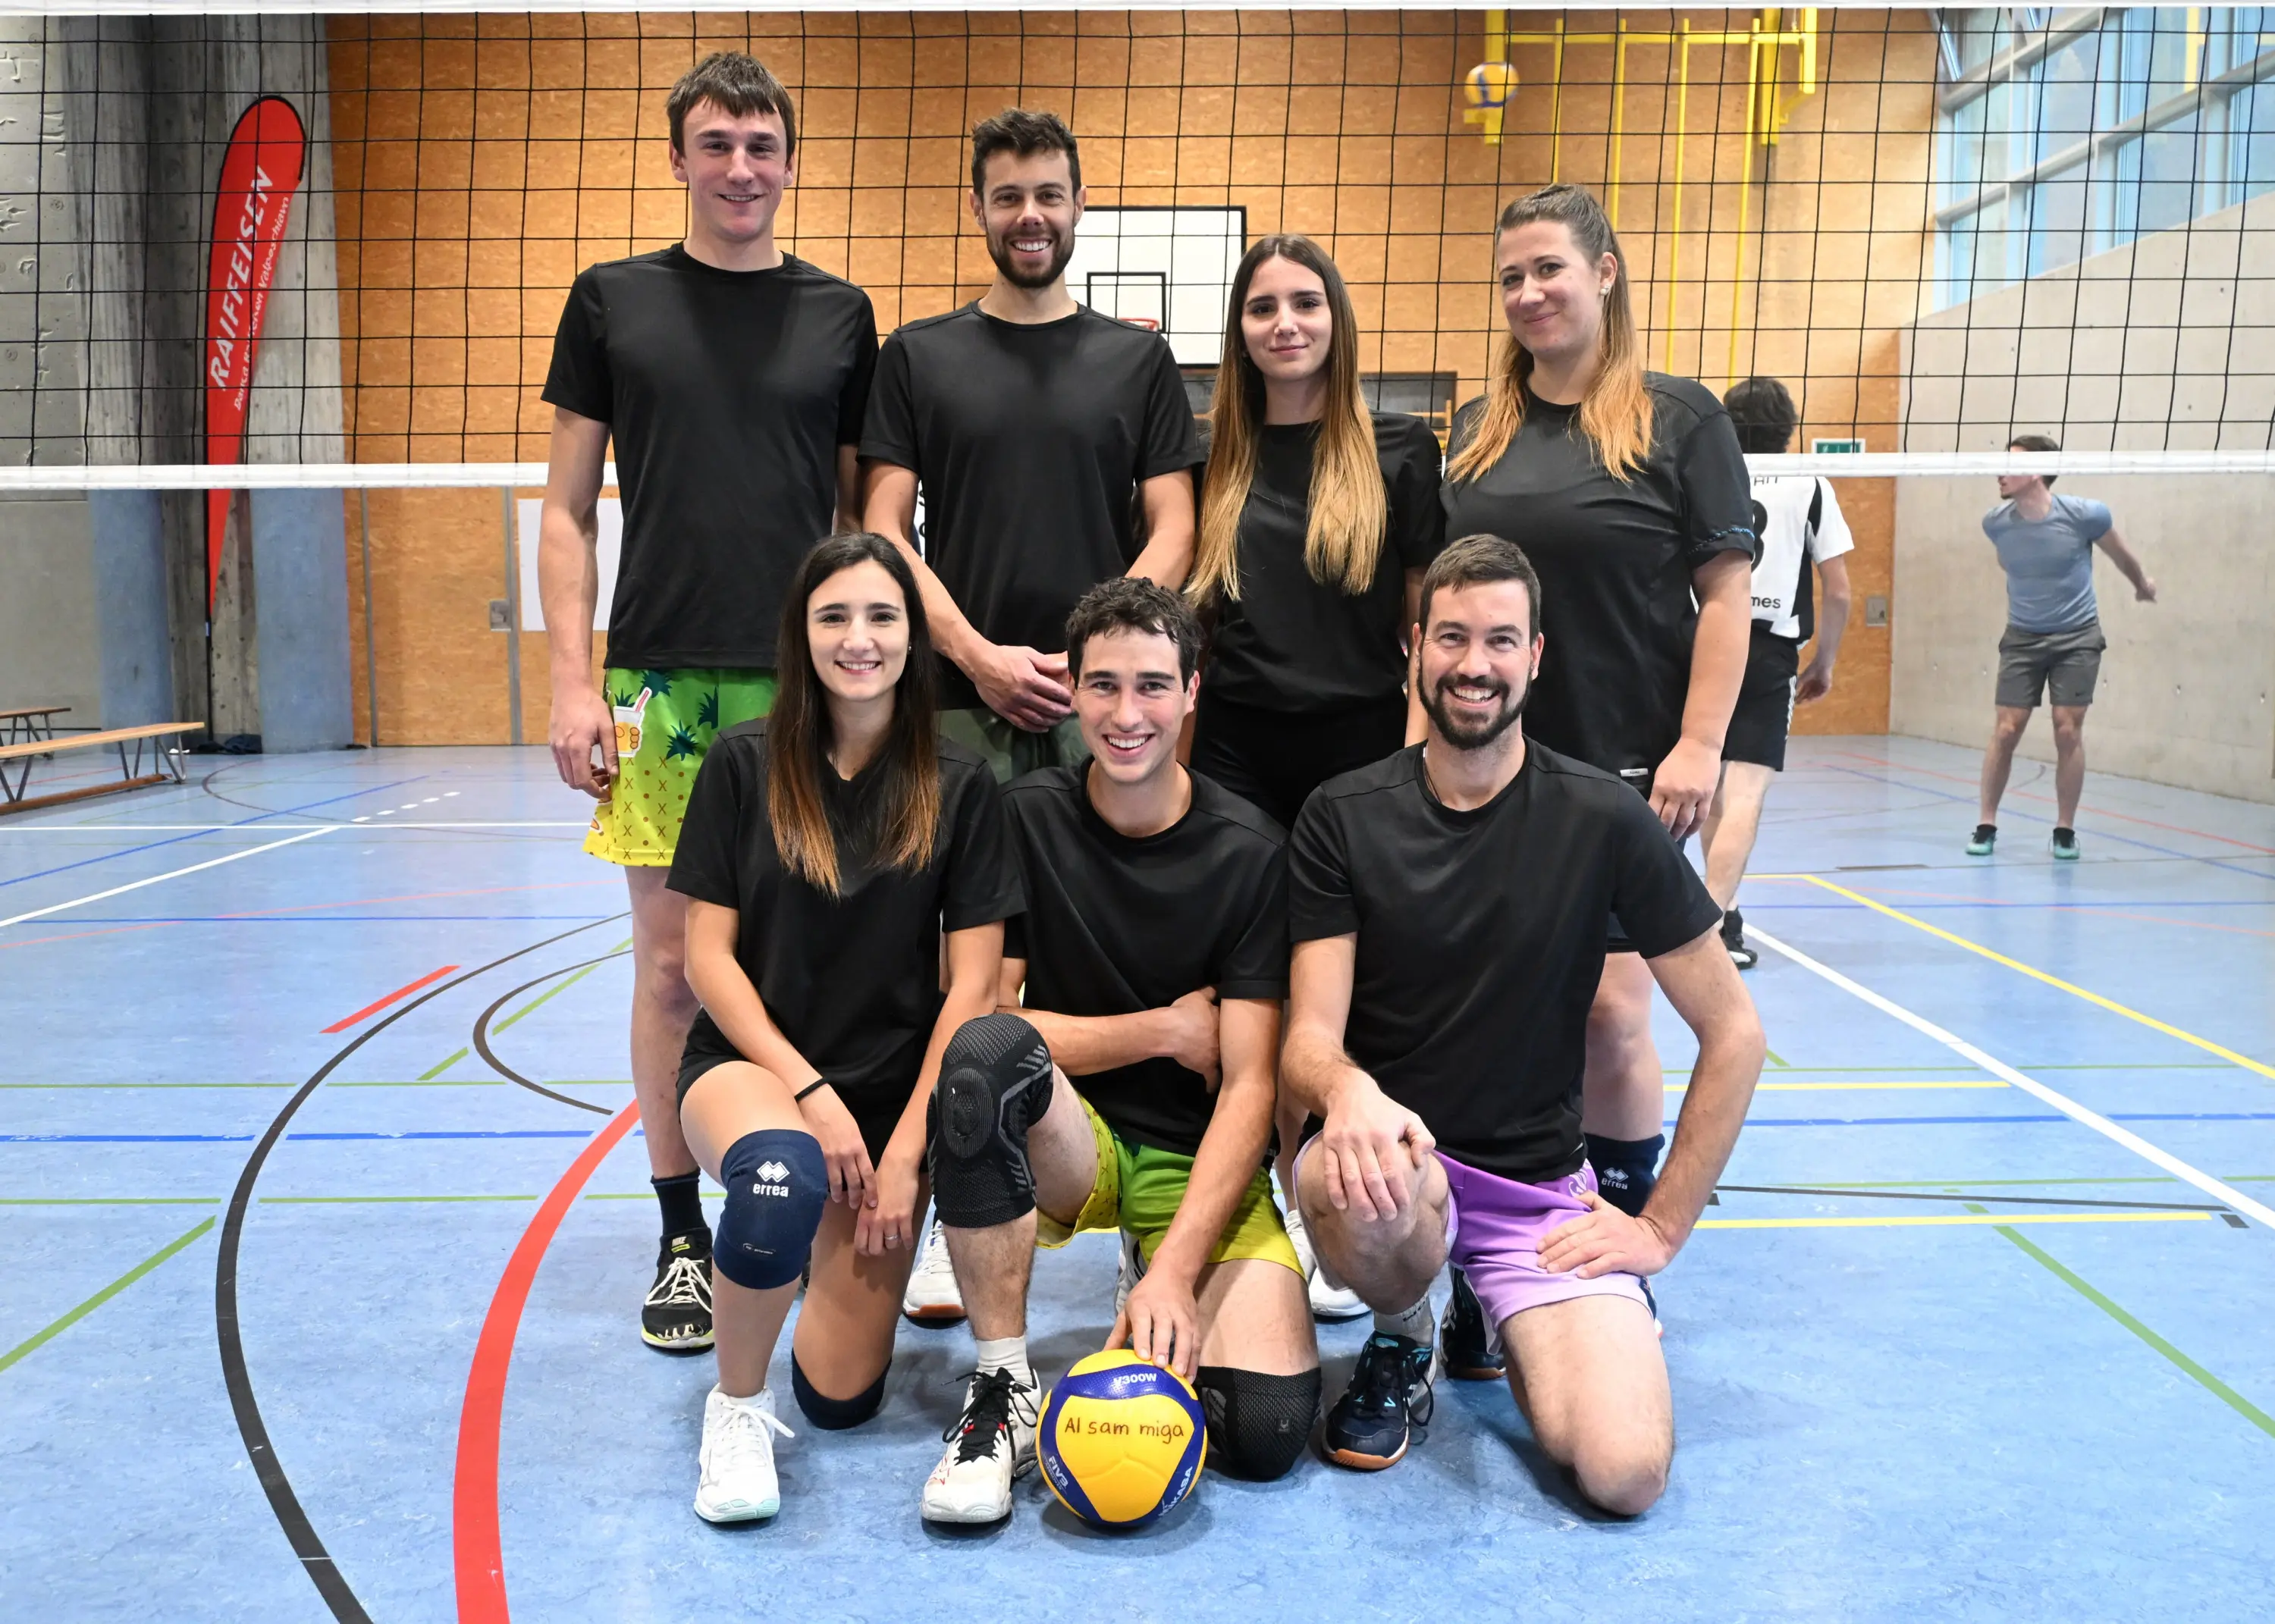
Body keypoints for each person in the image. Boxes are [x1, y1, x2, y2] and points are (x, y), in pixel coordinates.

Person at [1283, 535, 1763, 1509]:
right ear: (1416, 646)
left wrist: (1659, 1228)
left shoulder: (1603, 816)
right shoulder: (1342, 814)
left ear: (1536, 656)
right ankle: (1403, 1331)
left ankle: (1486, 1301)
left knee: (1626, 1474)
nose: (1475, 664)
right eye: (1452, 637)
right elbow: (1307, 1044)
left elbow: (1736, 1032)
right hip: (1395, 1167)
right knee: (1351, 1178)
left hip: (1534, 1197)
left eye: (1501, 640)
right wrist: (1348, 1092)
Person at [535, 52, 878, 1352]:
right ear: (678, 157)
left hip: (812, 684)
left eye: (762, 145)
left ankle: (835, 1200)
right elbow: (567, 511)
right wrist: (573, 681)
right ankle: (684, 1234)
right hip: (664, 686)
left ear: (790, 161)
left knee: (826, 957)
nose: (742, 167)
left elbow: (860, 519)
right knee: (674, 968)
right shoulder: (612, 302)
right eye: (718, 144)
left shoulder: (841, 315)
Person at [861, 105, 1204, 1325]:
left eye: (1049, 193)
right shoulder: (919, 356)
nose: (1030, 215)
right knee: (957, 961)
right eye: (1007, 195)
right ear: (979, 207)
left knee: (1115, 945)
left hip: (1096, 705)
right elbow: (882, 527)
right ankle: (963, 1197)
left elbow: (1175, 523)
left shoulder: (1136, 361)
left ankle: (1142, 1203)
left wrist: (1095, 654)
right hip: (959, 703)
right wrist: (972, 651)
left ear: (1078, 205)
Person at [917, 578, 1320, 1525]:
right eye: (1102, 685)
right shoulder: (1023, 817)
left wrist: (1177, 1273)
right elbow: (987, 1015)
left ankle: (1154, 1264)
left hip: (1191, 1156)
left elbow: (1249, 1085)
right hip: (1075, 1138)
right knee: (980, 1057)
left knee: (1262, 1433)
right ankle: (1003, 1385)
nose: (1126, 714)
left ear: (1192, 691)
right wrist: (1164, 1031)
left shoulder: (1253, 854)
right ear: (1073, 691)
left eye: (1151, 686)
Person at [1436, 183, 1754, 1376]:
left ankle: (1611, 1240)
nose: (1529, 294)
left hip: (1623, 768)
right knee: (1490, 1015)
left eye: (1550, 270)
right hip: (1487, 766)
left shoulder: (1679, 419)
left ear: (1606, 272)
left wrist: (1701, 742)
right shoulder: (1477, 427)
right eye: (1511, 276)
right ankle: (1481, 1266)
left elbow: (1726, 595)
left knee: (1615, 1014)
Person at [667, 533, 1021, 1523]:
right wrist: (811, 1094)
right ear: (802, 633)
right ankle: (736, 1408)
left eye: (881, 616)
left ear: (914, 638)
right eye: (834, 616)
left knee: (839, 1396)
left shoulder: (962, 783)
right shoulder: (742, 764)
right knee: (777, 1173)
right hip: (754, 1070)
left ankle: (807, 1263)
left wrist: (908, 1153)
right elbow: (706, 960)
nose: (858, 638)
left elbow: (973, 985)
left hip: (888, 1097)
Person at [1185, 232, 1445, 1321]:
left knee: (1350, 989)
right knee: (1251, 988)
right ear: (1238, 331)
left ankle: (1348, 1193)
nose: (1285, 323)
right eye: (1263, 307)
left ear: (1337, 320)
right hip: (1237, 753)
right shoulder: (1210, 459)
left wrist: (1416, 760)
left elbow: (1426, 624)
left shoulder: (1397, 450)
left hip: (1361, 752)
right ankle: (1256, 1196)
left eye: (1306, 303)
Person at [1699, 376, 1855, 969]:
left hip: (1701, 643)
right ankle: (1708, 930)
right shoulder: (1809, 483)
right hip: (1768, 651)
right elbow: (1838, 591)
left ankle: (1725, 916)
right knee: (1744, 794)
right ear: (1788, 428)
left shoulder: (1706, 475)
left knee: (1710, 786)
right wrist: (1825, 662)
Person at [1969, 434, 2156, 860]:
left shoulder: (2086, 515)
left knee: (2067, 728)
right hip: (2023, 636)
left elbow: (2120, 555)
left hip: (2077, 636)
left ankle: (2065, 830)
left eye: (2010, 465)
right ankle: (1986, 824)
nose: (1999, 473)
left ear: (2037, 472)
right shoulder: (1995, 523)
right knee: (2007, 729)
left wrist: (2141, 584)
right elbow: (2008, 560)